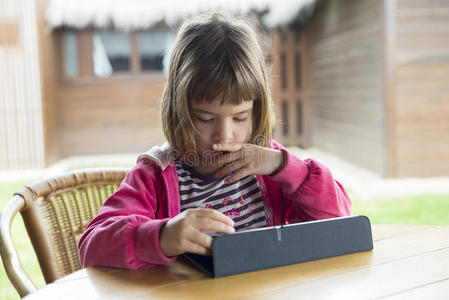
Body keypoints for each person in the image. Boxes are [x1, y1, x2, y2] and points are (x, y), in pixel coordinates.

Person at [78, 12, 351, 269]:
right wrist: (162, 236)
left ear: (257, 112)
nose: (224, 135)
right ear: (179, 111)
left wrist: (285, 166)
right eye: (206, 119)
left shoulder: (268, 166)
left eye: (240, 117)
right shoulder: (153, 177)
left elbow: (338, 218)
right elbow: (91, 246)